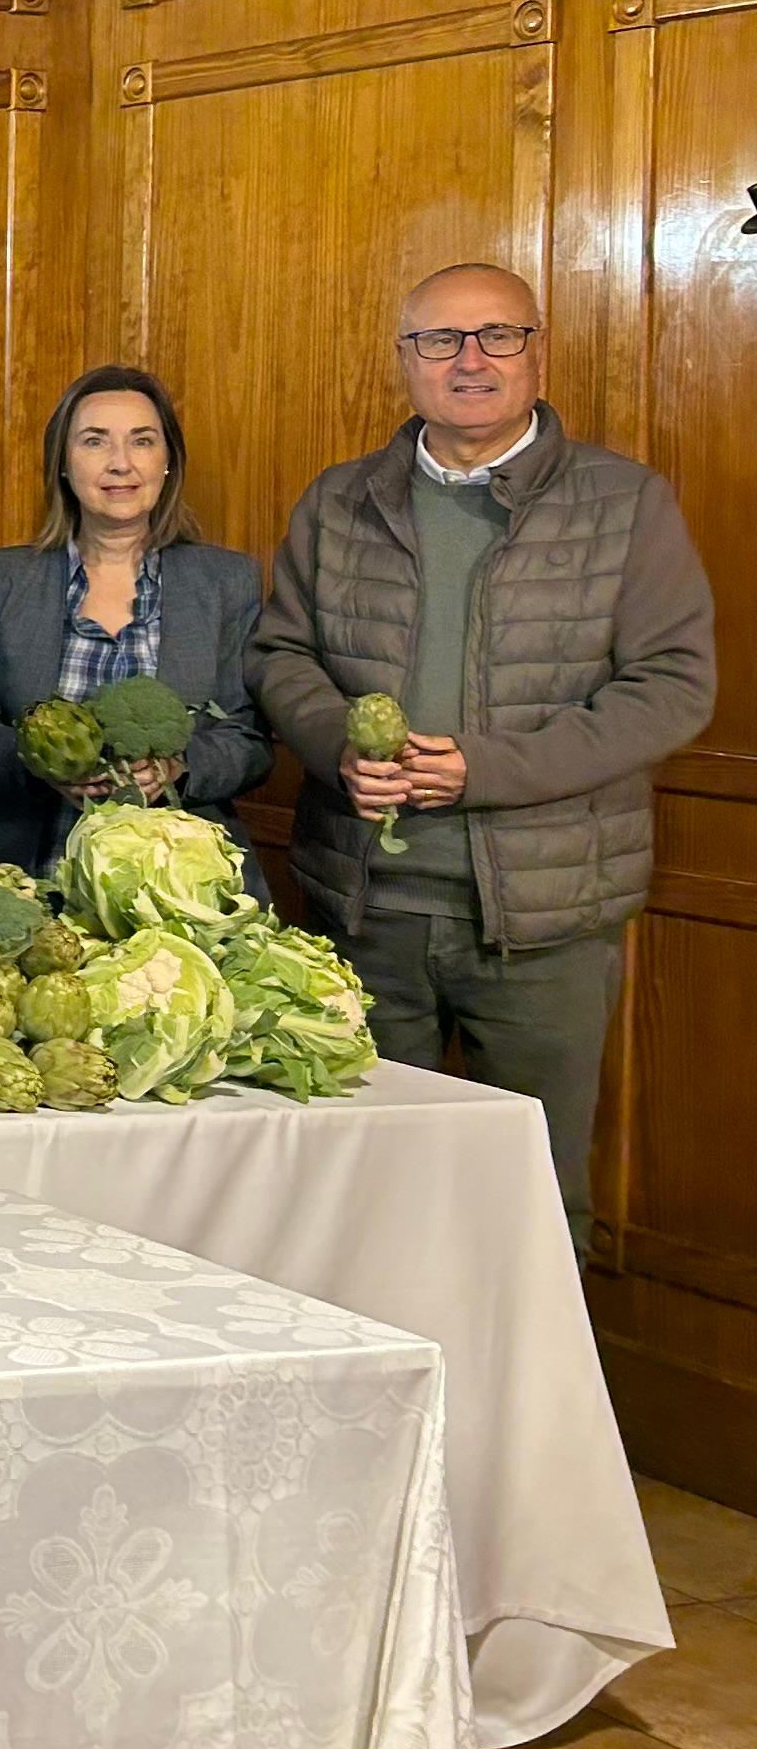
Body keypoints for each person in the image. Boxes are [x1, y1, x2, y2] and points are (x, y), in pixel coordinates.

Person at [249, 263, 714, 1232]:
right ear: (405, 362)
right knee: (364, 1202)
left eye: (498, 336)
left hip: (545, 926)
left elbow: (675, 688)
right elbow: (280, 653)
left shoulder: (624, 504)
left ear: (537, 352)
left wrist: (485, 771)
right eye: (441, 341)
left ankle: (532, 1394)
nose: (470, 361)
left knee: (535, 1209)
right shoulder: (339, 503)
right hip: (369, 917)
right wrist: (338, 744)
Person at [0, 367, 270, 871]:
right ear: (64, 465)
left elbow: (247, 740)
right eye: (95, 442)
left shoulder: (226, 582)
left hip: (180, 878)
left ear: (168, 463)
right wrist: (40, 764)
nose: (120, 464)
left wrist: (178, 770)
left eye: (142, 441)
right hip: (30, 868)